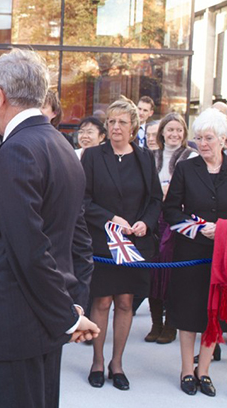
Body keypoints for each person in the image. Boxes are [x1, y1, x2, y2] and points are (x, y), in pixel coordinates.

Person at [0, 49, 98, 408]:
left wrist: (68, 317)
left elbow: (30, 249)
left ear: (0, 95)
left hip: (13, 327)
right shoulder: (60, 144)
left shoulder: (19, 150)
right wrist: (70, 311)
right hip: (39, 323)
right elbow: (71, 243)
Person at [81, 96, 162, 391]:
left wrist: (145, 223)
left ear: (133, 128)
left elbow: (155, 199)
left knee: (126, 302)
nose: (115, 127)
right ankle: (98, 361)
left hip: (133, 243)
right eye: (111, 121)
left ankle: (117, 362)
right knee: (101, 300)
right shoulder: (91, 157)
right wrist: (109, 217)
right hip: (103, 242)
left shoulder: (144, 157)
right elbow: (83, 200)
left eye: (122, 122)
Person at [163, 107, 227, 397]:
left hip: (221, 254)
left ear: (223, 140)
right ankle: (187, 370)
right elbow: (171, 209)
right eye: (199, 138)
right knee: (188, 311)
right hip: (190, 252)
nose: (202, 144)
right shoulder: (187, 168)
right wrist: (196, 228)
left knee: (212, 313)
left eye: (209, 138)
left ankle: (205, 372)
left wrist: (222, 228)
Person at [144, 113, 197, 346]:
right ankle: (156, 323)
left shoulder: (191, 157)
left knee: (171, 273)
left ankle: (170, 325)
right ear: (162, 132)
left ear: (184, 133)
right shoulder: (150, 156)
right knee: (153, 271)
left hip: (177, 222)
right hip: (154, 219)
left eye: (179, 130)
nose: (174, 134)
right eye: (170, 129)